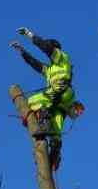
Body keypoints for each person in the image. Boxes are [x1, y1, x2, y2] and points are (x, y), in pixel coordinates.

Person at [10, 27, 84, 171]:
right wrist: (22, 51)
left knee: (33, 101)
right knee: (56, 127)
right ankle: (55, 152)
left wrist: (30, 35)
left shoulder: (62, 57)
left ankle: (44, 123)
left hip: (61, 91)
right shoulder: (51, 69)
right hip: (63, 100)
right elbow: (35, 64)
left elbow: (45, 47)